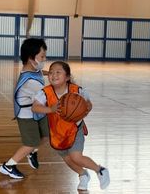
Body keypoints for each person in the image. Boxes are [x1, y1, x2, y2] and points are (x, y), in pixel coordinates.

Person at [32, 61, 110, 191]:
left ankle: (100, 170)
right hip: (57, 133)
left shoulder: (77, 90)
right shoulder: (45, 92)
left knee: (76, 157)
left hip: (75, 129)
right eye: (51, 72)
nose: (53, 75)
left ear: (67, 77)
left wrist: (86, 108)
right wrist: (50, 109)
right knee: (68, 159)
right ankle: (83, 175)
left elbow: (88, 104)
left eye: (58, 72)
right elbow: (35, 107)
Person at [0, 38, 49, 179]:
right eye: (42, 57)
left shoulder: (33, 69)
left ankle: (32, 152)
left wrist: (49, 73)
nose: (44, 59)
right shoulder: (31, 82)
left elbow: (40, 72)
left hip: (38, 111)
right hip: (27, 114)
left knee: (48, 134)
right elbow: (49, 96)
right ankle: (8, 166)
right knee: (30, 143)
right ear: (31, 58)